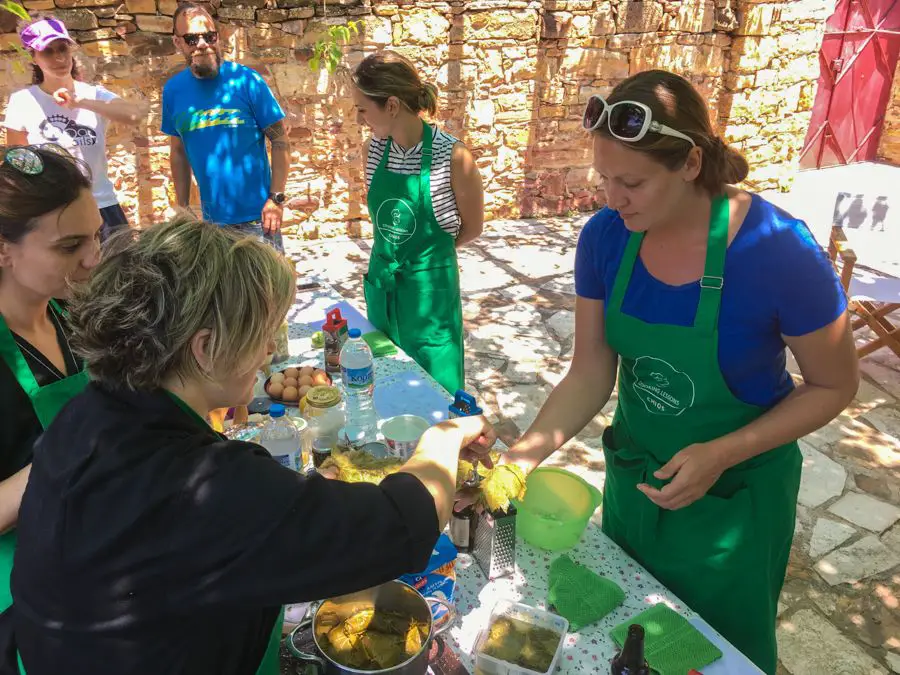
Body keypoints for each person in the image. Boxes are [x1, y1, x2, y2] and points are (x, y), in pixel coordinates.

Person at [10, 217, 495, 675]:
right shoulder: (203, 485)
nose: (268, 351)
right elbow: (398, 528)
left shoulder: (89, 413)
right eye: (260, 334)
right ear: (203, 349)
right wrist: (443, 438)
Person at [495, 70, 858, 674]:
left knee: (715, 655)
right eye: (605, 179)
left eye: (631, 182)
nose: (613, 198)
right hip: (638, 480)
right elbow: (590, 371)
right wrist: (518, 461)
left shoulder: (779, 251)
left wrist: (723, 451)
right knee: (632, 639)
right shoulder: (606, 239)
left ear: (690, 164)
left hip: (735, 502)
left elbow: (835, 384)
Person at [0, 144, 101, 616]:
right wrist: (61, 460)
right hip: (23, 595)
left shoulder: (71, 315)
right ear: (3, 249)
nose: (93, 260)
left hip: (94, 550)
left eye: (95, 237)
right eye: (69, 246)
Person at [351, 51, 484, 394]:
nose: (359, 119)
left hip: (429, 300)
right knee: (387, 390)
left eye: (363, 109)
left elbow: (473, 228)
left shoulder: (453, 158)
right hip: (384, 293)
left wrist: (427, 259)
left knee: (437, 398)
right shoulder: (373, 151)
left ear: (391, 106)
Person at [2, 18, 148, 241]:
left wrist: (80, 102)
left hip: (102, 206)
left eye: (63, 48)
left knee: (122, 273)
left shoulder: (94, 95)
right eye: (48, 52)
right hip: (52, 212)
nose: (59, 58)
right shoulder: (22, 102)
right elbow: (18, 163)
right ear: (33, 56)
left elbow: (134, 115)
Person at [162, 2, 290, 252]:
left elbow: (280, 139)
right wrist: (183, 207)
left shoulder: (247, 81)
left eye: (209, 36)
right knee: (224, 292)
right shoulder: (173, 91)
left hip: (260, 220)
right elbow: (178, 152)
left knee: (270, 291)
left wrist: (276, 199)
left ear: (217, 37)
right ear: (177, 43)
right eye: (191, 38)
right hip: (211, 225)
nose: (202, 44)